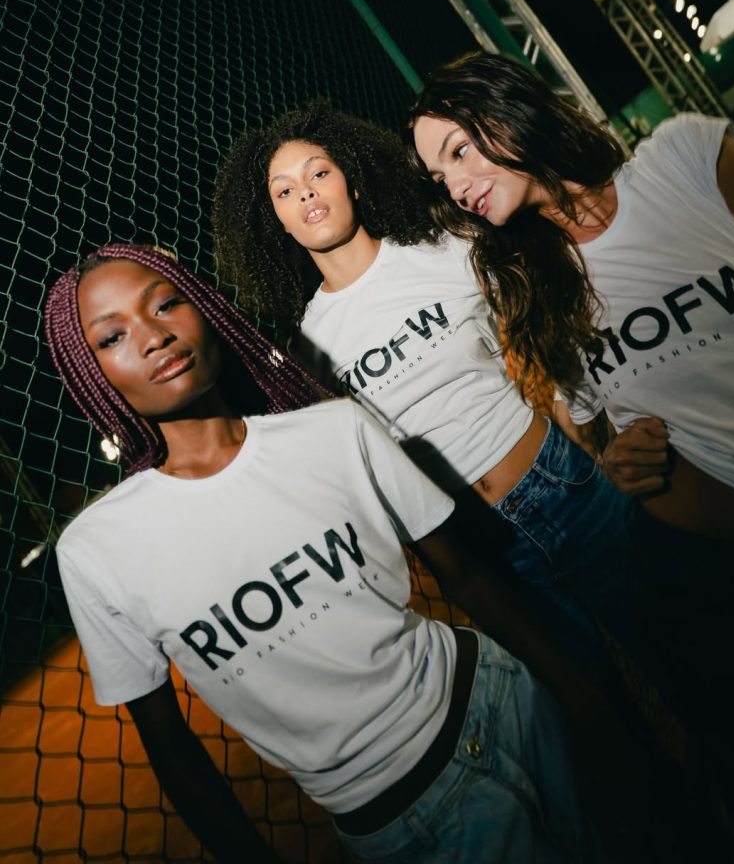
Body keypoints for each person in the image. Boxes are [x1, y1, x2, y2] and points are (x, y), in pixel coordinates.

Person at [45, 242, 648, 864]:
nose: (154, 337)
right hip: (403, 815)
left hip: (509, 700)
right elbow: (171, 748)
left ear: (205, 309)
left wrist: (584, 701)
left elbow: (467, 576)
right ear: (89, 373)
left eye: (166, 304)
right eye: (111, 337)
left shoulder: (336, 429)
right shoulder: (97, 550)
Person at [407, 50, 734, 852]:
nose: (454, 184)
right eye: (438, 176)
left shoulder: (684, 158)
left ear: (507, 109)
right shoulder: (534, 287)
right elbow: (592, 425)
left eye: (458, 151)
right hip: (719, 580)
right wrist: (615, 460)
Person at [212, 104, 639, 673]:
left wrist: (577, 413)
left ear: (352, 181)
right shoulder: (309, 348)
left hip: (564, 486)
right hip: (476, 544)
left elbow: (550, 312)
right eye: (284, 191)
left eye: (319, 173)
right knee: (588, 689)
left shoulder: (443, 250)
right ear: (278, 222)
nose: (306, 193)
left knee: (680, 647)